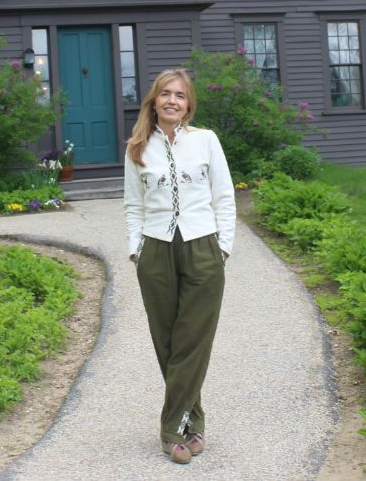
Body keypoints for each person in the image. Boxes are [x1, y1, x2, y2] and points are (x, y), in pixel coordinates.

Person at [123, 68, 235, 465]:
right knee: (168, 341)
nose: (172, 100)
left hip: (202, 247)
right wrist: (136, 250)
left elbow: (223, 194)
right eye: (165, 94)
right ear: (154, 101)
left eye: (180, 95)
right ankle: (194, 421)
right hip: (155, 250)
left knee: (194, 338)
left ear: (189, 105)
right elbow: (132, 205)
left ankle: (172, 428)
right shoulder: (137, 147)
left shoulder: (206, 141)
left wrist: (223, 247)